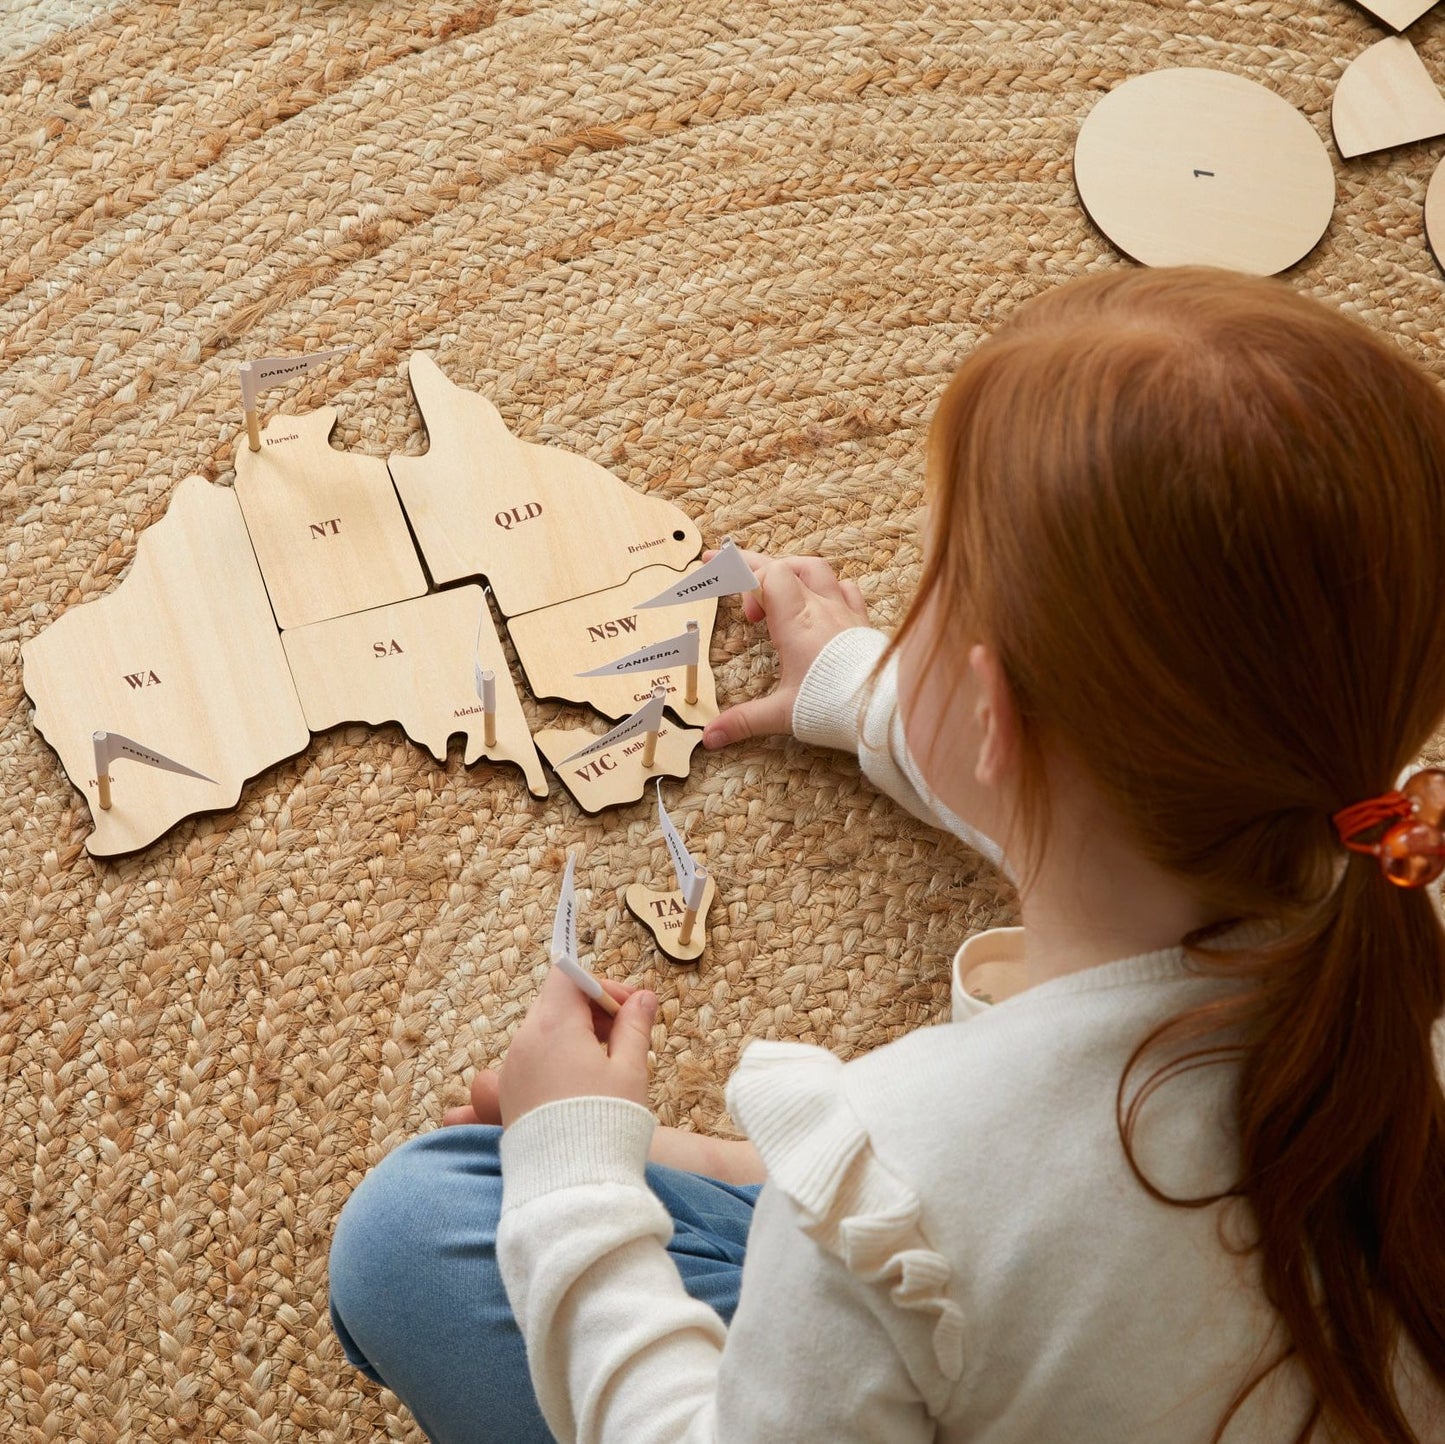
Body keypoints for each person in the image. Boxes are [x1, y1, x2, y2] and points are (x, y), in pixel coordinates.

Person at [328, 267, 1445, 1443]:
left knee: (413, 1230)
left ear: (988, 715)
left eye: (932, 589)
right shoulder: (1381, 855)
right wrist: (859, 691)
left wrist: (572, 1172)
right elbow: (1167, 785)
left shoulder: (913, 1161)